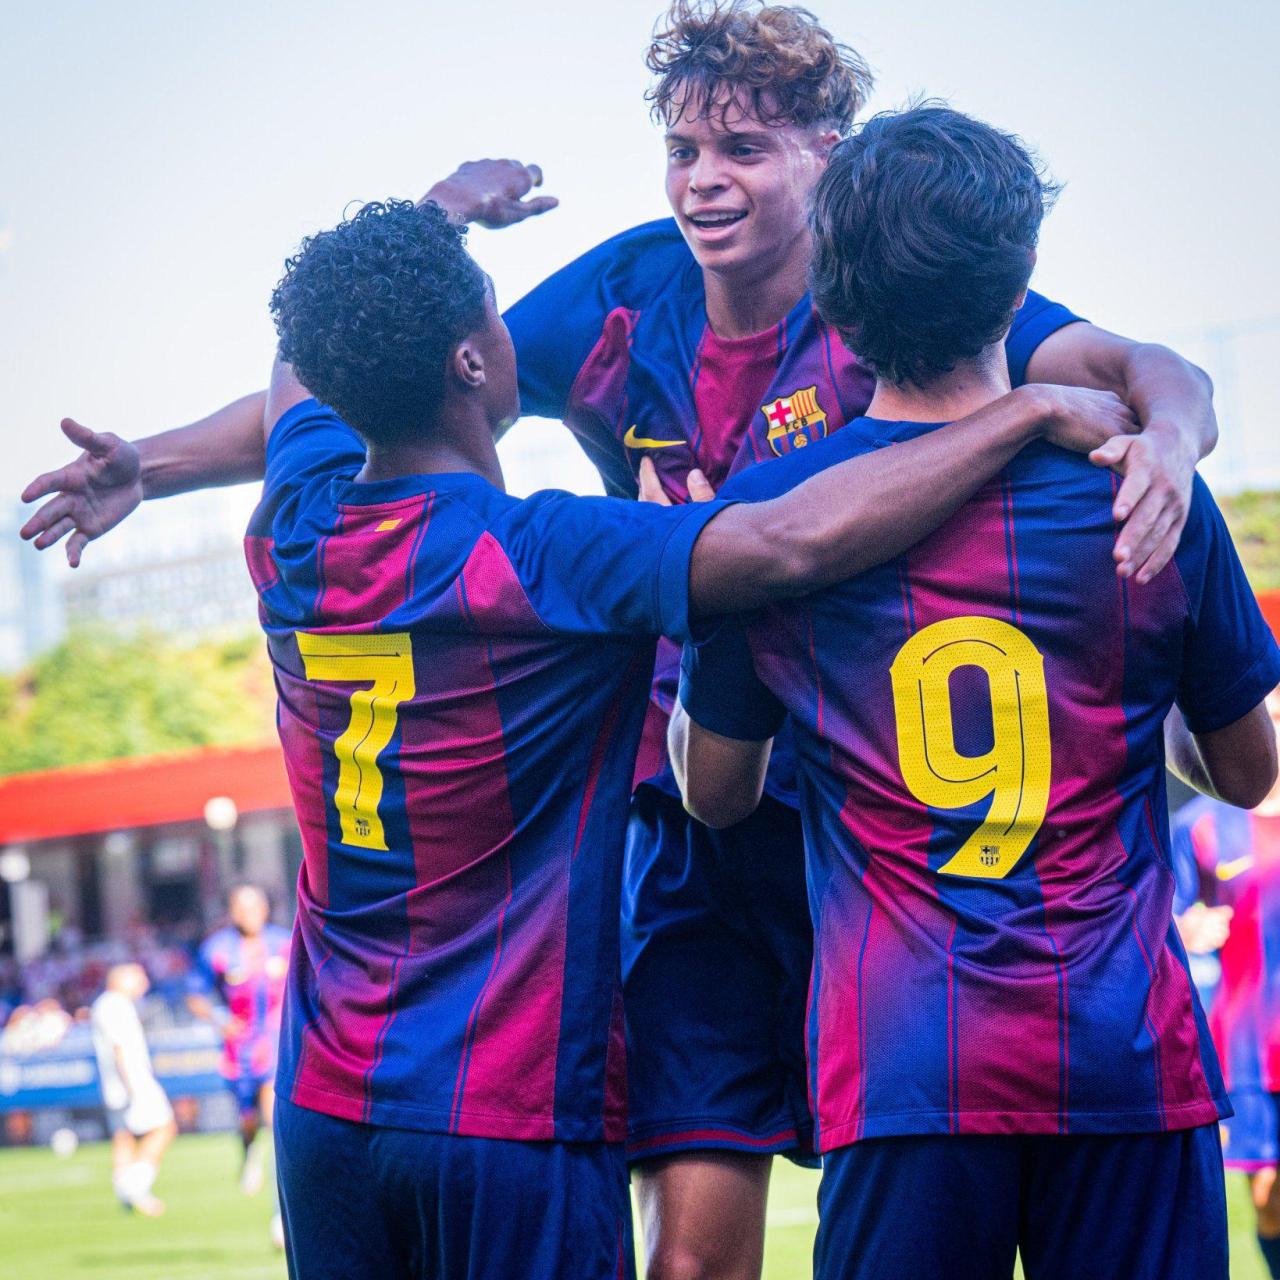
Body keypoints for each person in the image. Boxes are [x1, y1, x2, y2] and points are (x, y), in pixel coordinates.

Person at [18, 4, 1221, 1273]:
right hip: (696, 804)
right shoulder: (616, 302)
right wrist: (145, 466)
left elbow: (1143, 370)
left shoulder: (895, 291)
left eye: (744, 148)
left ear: (830, 153)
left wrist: (1176, 440)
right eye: (683, 148)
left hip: (881, 838)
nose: (704, 179)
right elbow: (390, 361)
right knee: (696, 1259)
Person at [671, 104, 1280, 1280]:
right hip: (1121, 1052)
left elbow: (714, 792)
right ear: (1022, 285)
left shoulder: (777, 521)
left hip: (902, 1063)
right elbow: (1248, 771)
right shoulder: (1142, 487)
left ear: (831, 302)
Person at [1173, 688, 1280, 1279]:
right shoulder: (1202, 825)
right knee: (1264, 1197)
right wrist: (1185, 928)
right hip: (1241, 1041)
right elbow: (1162, 917)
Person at [187, 884, 290, 1195]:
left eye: (255, 907)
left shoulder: (284, 942)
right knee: (247, 1118)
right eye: (243, 909)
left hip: (276, 1041)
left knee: (274, 1112)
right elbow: (195, 995)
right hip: (240, 1046)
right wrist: (220, 1020)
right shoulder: (216, 948)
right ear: (232, 912)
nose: (250, 915)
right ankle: (249, 1153)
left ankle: (281, 1191)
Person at [90, 963, 176, 1217]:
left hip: (118, 1084)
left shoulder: (107, 1004)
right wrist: (134, 1086)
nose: (143, 985)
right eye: (138, 979)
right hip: (131, 1082)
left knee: (123, 1136)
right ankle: (136, 1187)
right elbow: (120, 1048)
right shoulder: (115, 1005)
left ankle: (123, 1189)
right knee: (164, 1127)